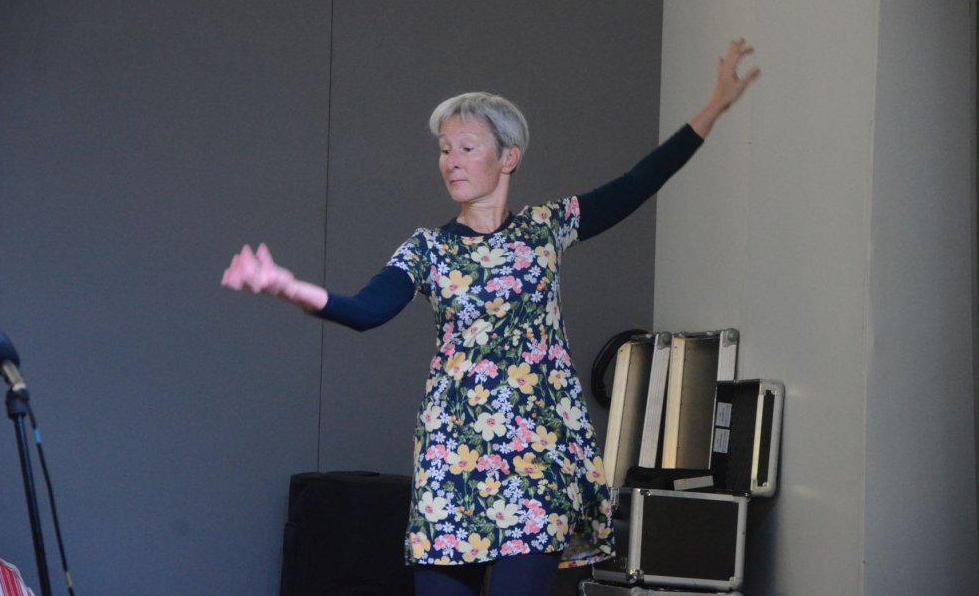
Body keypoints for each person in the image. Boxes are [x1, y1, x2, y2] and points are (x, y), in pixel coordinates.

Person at [222, 39, 759, 596]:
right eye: (444, 149)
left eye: (466, 147)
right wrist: (287, 286)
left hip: (538, 456)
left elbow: (639, 182)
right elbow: (366, 310)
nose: (450, 160)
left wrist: (715, 105)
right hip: (453, 456)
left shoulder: (546, 227)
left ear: (508, 157)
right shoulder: (428, 248)